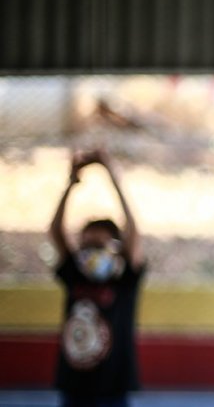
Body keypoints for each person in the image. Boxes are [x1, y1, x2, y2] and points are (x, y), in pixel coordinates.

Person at [49, 148, 145, 407]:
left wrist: (113, 176)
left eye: (100, 247)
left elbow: (134, 231)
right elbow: (56, 231)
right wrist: (70, 184)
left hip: (114, 387)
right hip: (74, 385)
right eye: (87, 246)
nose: (92, 255)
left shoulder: (123, 276)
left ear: (115, 247)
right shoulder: (74, 272)